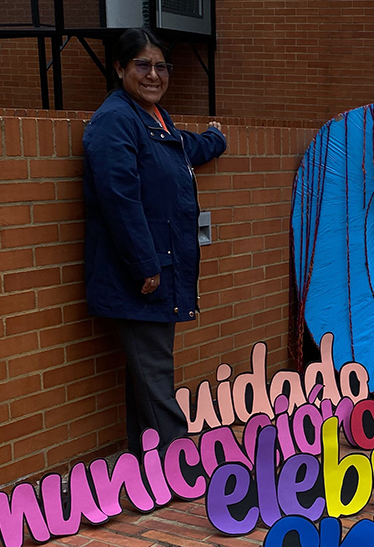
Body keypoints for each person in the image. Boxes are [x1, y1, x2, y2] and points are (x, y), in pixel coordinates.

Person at [82, 28, 227, 455]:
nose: (153, 74)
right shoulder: (115, 121)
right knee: (156, 371)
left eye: (160, 66)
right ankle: (177, 464)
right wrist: (145, 265)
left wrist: (215, 140)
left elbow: (184, 147)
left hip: (159, 267)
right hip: (141, 272)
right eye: (141, 65)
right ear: (119, 68)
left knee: (146, 373)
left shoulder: (153, 119)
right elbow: (119, 199)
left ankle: (147, 462)